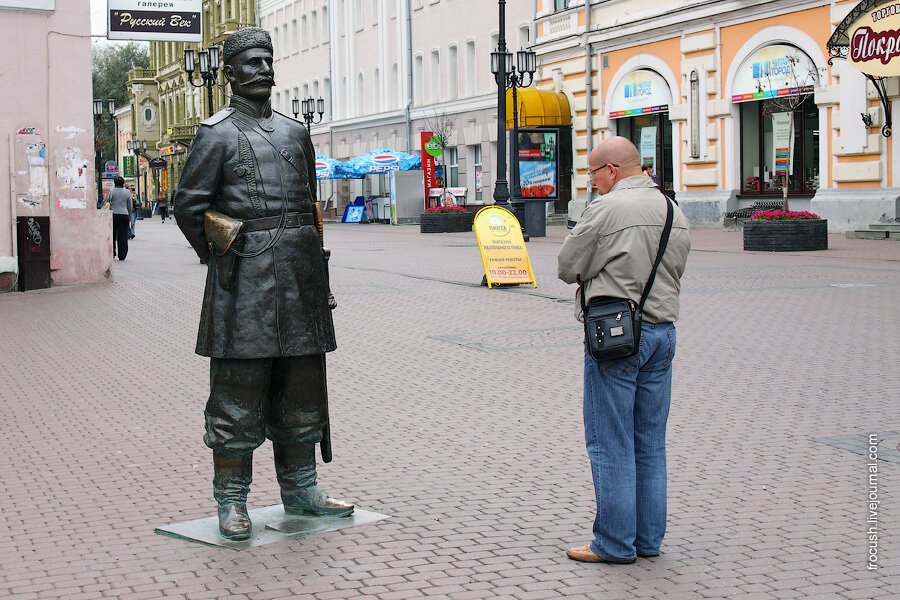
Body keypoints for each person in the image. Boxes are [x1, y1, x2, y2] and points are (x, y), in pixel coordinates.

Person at [174, 27, 351, 542]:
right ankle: (232, 501)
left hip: (300, 278)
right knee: (238, 394)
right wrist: (224, 256)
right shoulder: (216, 133)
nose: (262, 70)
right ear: (229, 73)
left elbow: (309, 207)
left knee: (302, 389)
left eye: (267, 61)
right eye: (250, 62)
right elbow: (189, 206)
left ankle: (301, 490)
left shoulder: (297, 132)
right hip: (244, 282)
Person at [557, 136, 691, 564]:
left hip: (618, 337)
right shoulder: (673, 210)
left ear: (611, 170)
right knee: (650, 443)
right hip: (662, 333)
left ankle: (614, 543)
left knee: (610, 441)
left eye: (594, 175)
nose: (593, 183)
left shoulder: (608, 209)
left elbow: (568, 266)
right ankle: (647, 541)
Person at [104, 175, 132, 261]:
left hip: (113, 215)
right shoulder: (127, 192)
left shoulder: (111, 191)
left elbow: (106, 201)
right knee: (123, 235)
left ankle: (112, 252)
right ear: (123, 183)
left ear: (114, 183)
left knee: (112, 234)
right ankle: (122, 255)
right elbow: (130, 205)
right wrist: (129, 215)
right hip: (124, 215)